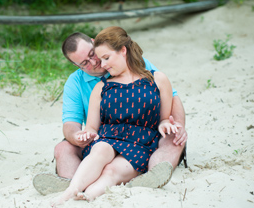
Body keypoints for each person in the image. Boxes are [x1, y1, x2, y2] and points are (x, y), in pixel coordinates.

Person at [32, 29, 188, 195]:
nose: (94, 62)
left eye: (93, 54)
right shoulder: (75, 83)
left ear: (95, 42)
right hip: (102, 138)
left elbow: (171, 96)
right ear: (76, 66)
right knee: (63, 148)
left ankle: (152, 176)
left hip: (145, 135)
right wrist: (78, 137)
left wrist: (178, 125)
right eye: (84, 63)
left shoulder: (133, 62)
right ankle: (73, 184)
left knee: (174, 138)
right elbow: (70, 123)